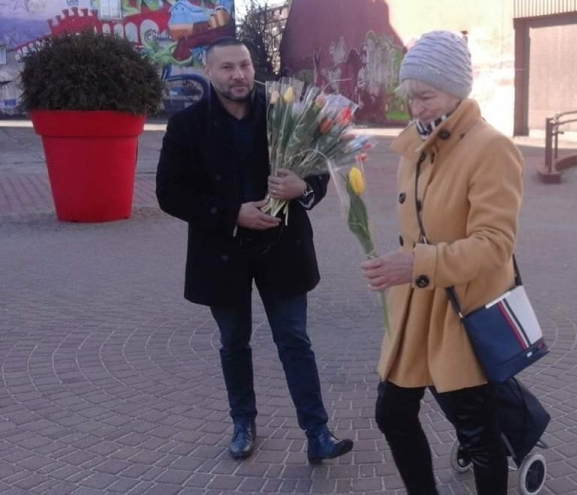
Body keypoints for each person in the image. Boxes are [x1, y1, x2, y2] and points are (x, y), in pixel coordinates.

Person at [156, 37, 353, 463]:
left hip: (282, 247)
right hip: (222, 251)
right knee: (234, 342)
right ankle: (243, 423)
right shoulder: (187, 125)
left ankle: (317, 432)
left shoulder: (286, 111)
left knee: (294, 340)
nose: (239, 75)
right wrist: (231, 214)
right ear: (209, 72)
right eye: (227, 67)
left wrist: (304, 188)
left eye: (244, 65)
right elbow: (169, 193)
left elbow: (318, 165)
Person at [361, 30, 525, 494]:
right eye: (409, 96)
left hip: (462, 308)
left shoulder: (490, 147)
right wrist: (399, 265)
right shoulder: (416, 144)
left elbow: (495, 244)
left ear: (456, 92)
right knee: (392, 413)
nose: (415, 108)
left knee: (477, 433)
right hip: (416, 304)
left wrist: (413, 264)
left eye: (425, 96)